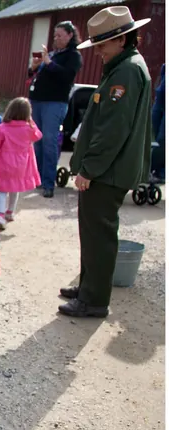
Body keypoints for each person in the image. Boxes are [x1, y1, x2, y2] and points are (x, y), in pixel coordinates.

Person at [60, 6, 152, 318]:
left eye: (102, 44)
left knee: (99, 234)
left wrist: (90, 168)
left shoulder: (125, 72)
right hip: (108, 169)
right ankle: (89, 287)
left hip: (108, 171)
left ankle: (94, 300)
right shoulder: (122, 66)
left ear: (122, 39)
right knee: (92, 231)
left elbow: (113, 130)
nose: (98, 51)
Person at [27, 20, 83, 198]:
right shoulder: (51, 54)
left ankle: (48, 183)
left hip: (55, 103)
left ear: (70, 35)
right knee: (37, 141)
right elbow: (35, 74)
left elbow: (66, 76)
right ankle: (38, 179)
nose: (56, 39)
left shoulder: (73, 56)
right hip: (37, 100)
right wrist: (34, 67)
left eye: (60, 35)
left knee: (49, 141)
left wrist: (49, 63)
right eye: (55, 35)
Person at [0, 98, 43, 230]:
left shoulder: (3, 128)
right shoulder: (29, 129)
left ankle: (0, 216)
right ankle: (10, 212)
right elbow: (38, 136)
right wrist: (31, 121)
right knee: (15, 188)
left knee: (2, 190)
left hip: (4, 162)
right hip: (22, 164)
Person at [151, 64, 165, 183]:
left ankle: (160, 172)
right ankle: (147, 169)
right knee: (150, 134)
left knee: (162, 139)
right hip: (161, 96)